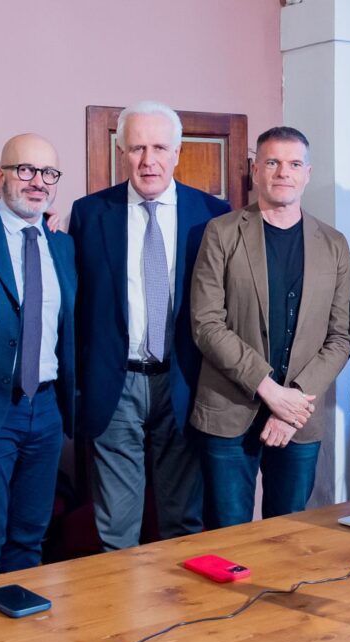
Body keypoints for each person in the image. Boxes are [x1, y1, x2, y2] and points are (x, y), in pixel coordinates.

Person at [69, 101, 230, 550]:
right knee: (114, 529)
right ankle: (120, 618)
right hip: (115, 386)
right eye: (137, 148)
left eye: (159, 147)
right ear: (121, 152)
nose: (148, 160)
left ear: (178, 152)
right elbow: (78, 306)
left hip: (184, 381)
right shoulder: (88, 215)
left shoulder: (214, 215)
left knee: (183, 522)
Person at [191, 126, 350, 528]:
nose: (284, 172)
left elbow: (340, 337)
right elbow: (206, 323)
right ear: (255, 170)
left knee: (289, 536)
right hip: (229, 410)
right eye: (273, 162)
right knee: (227, 538)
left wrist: (291, 401)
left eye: (294, 163)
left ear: (308, 173)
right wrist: (269, 390)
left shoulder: (334, 244)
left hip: (299, 415)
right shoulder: (222, 233)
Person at [0, 134, 76, 578]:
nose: (38, 183)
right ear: (2, 175)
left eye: (48, 173)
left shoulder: (62, 243)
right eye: (25, 170)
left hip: (46, 409)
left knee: (31, 537)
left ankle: (21, 638)